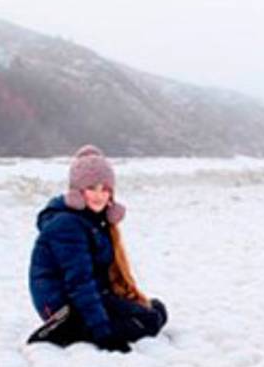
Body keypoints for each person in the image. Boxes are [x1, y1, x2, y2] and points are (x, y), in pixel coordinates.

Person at [27, 145, 167, 352]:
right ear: (77, 191)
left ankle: (90, 324)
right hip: (63, 306)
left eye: (105, 189)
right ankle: (68, 331)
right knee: (148, 321)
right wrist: (104, 333)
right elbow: (79, 282)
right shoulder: (67, 225)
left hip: (88, 297)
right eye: (92, 188)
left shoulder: (94, 221)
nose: (99, 195)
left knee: (156, 310)